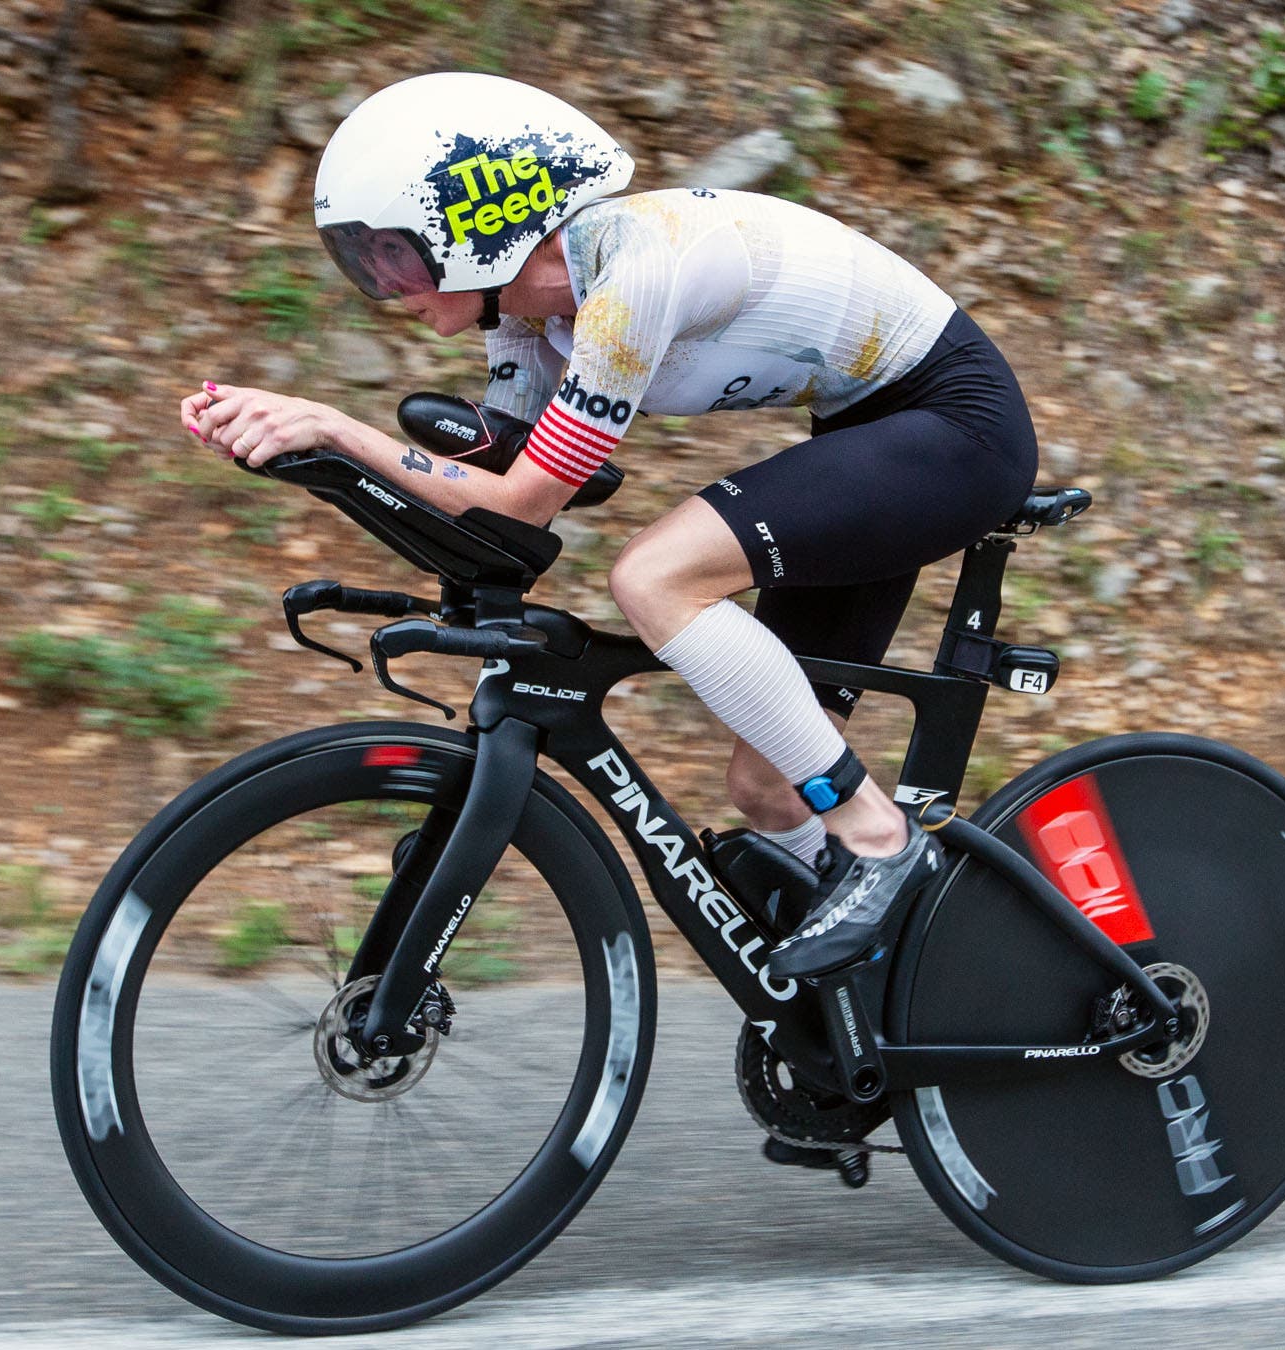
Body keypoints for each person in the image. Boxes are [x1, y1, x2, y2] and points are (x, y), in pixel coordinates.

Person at [181, 72, 1037, 985]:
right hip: (871, 435)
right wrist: (323, 466)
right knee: (765, 789)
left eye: (394, 257)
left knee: (656, 577)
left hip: (954, 429)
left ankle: (879, 840)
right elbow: (498, 507)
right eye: (365, 264)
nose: (384, 288)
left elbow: (520, 507)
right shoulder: (525, 319)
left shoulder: (631, 282)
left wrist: (337, 429)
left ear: (480, 228)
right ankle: (857, 1030)